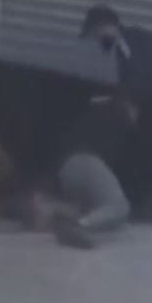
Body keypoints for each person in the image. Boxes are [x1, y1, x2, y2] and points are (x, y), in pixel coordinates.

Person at [79, 4, 152, 221]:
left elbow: (138, 79)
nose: (96, 39)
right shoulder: (127, 43)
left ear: (105, 27)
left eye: (95, 34)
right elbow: (130, 82)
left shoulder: (132, 44)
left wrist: (128, 106)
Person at [50, 97, 136, 249]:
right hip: (87, 161)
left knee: (100, 210)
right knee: (119, 207)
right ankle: (78, 225)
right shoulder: (120, 113)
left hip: (66, 168)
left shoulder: (96, 109)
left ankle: (71, 220)